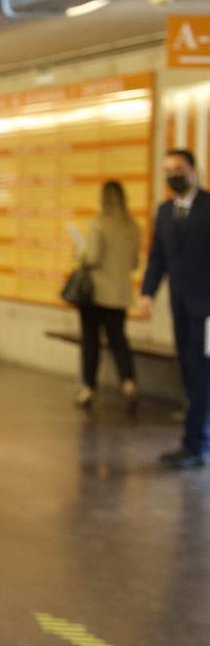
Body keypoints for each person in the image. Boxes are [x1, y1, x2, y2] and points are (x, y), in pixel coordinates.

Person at [138, 149, 210, 468]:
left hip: (207, 310)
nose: (173, 176)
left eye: (179, 169)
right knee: (189, 372)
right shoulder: (165, 211)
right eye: (167, 170)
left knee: (202, 375)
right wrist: (148, 293)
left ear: (194, 171)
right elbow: (158, 258)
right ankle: (197, 439)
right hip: (179, 307)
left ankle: (195, 444)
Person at [75, 181, 141, 410]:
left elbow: (91, 257)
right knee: (119, 341)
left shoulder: (98, 224)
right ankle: (129, 383)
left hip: (96, 294)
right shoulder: (133, 227)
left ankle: (88, 389)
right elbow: (134, 263)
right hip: (120, 294)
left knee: (91, 341)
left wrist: (80, 251)